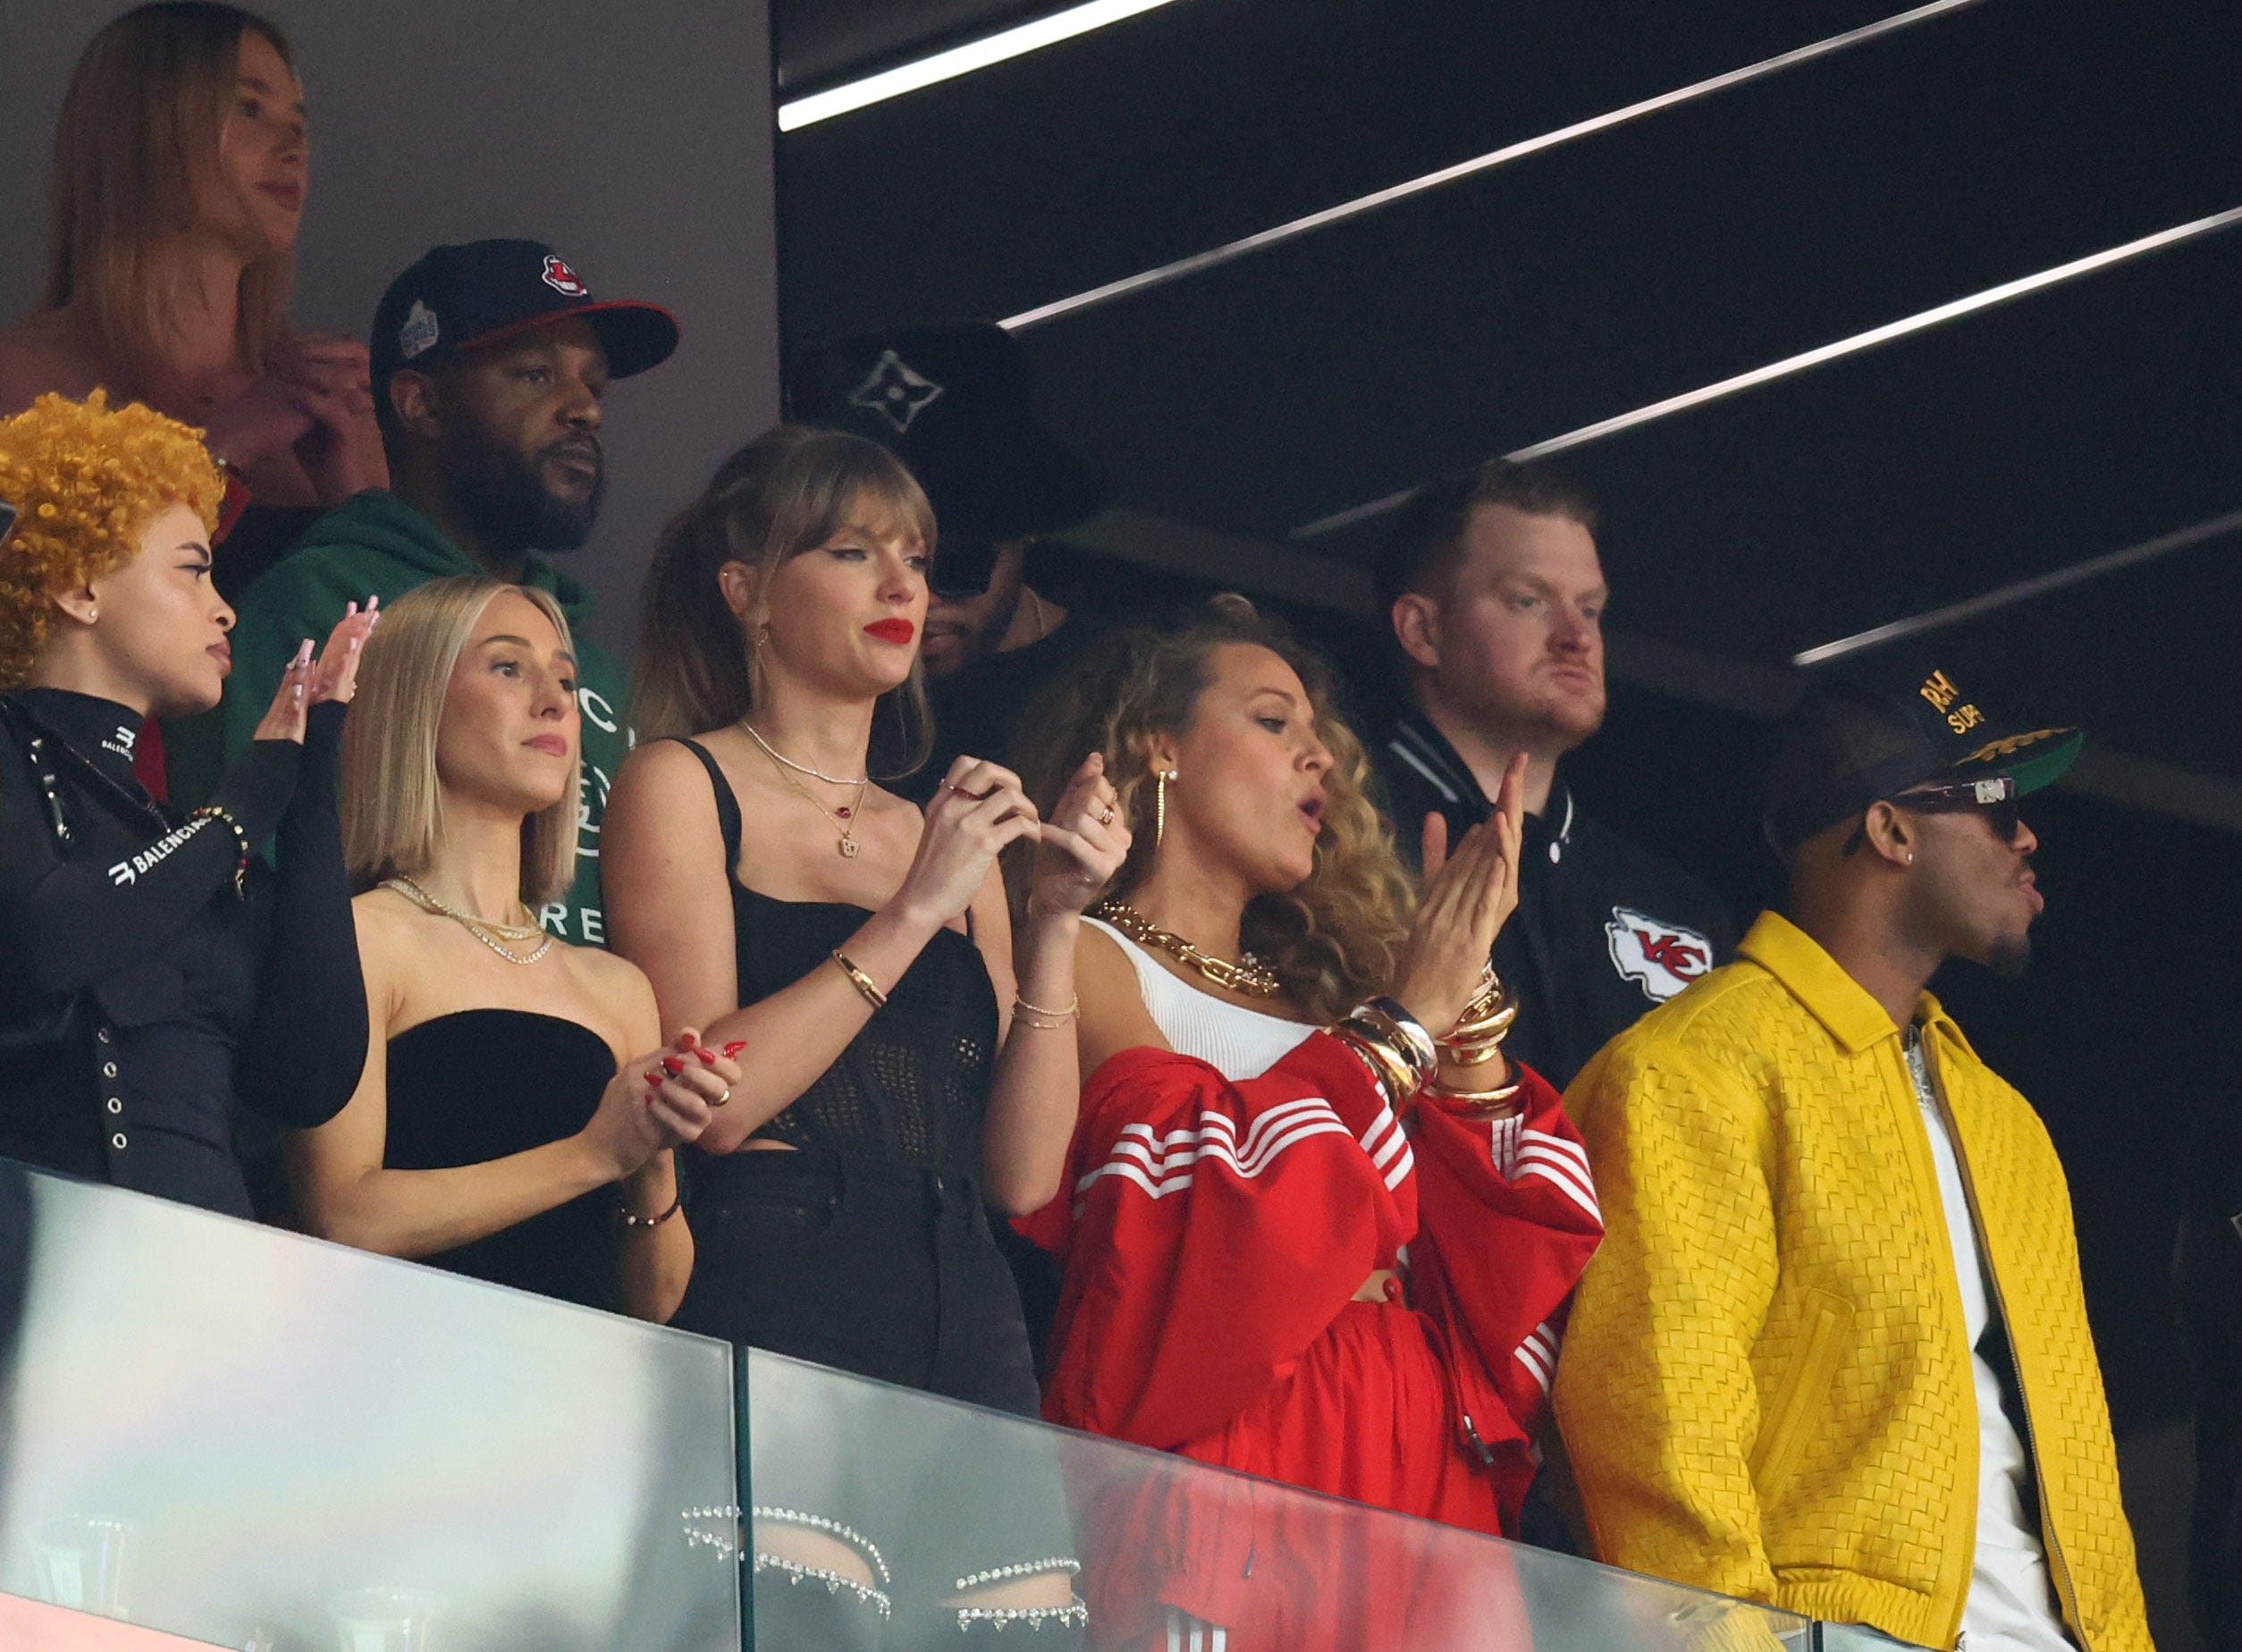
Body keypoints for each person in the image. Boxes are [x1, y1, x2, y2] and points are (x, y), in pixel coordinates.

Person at [603, 426, 1125, 1640]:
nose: (903, 585)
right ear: (747, 592)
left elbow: (1023, 1173)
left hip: (965, 1287)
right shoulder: (683, 781)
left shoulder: (942, 830)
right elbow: (713, 1102)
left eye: (918, 558)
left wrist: (1052, 918)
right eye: (852, 552)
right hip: (782, 1260)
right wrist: (915, 911)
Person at [1011, 598, 1603, 1649]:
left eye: (1321, 733)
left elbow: (1496, 1256)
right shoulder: (1089, 952)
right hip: (1232, 1423)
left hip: (1413, 1430)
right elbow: (1182, 1189)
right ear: (1159, 747)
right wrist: (1405, 1020)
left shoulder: (1337, 999)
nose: (1319, 755)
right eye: (1273, 721)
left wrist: (1462, 1011)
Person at [1555, 657, 2154, 1651]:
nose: (2027, 836)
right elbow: (1658, 1426)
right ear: (1891, 831)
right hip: (1832, 1631)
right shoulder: (1691, 1071)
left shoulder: (2005, 1120)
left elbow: (2081, 1455)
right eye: (1996, 806)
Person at [166, 239, 677, 947]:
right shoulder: (314, 610)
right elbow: (241, 893)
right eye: (535, 375)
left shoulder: (596, 664)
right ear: (422, 404)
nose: (583, 410)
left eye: (593, 385)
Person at [285, 577, 732, 1319]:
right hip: (400, 1360)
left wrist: (652, 1154)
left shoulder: (616, 987)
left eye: (566, 679)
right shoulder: (362, 938)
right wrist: (595, 1152)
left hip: (577, 1378)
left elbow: (655, 1299)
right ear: (416, 700)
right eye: (508, 668)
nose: (555, 702)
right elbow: (344, 1216)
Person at [0, 390, 372, 1217]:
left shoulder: (188, 838)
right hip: (38, 1265)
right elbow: (47, 943)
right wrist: (243, 804)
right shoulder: (16, 754)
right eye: (193, 569)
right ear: (78, 588)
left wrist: (310, 774)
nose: (224, 606)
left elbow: (308, 1079)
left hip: (210, 1273)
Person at [1372, 459, 1736, 1091]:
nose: (1576, 637)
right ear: (1423, 630)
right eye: (1529, 600)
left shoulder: (1677, 905)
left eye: (1590, 610)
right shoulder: (1331, 841)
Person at [0, 4, 387, 595]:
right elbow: (40, 617)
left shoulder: (325, 403)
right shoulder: (19, 383)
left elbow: (425, 637)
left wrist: (358, 502)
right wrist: (218, 453)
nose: (294, 147)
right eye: (250, 108)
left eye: (300, 125)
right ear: (142, 129)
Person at [788, 321, 1110, 797]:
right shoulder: (807, 681)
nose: (915, 596)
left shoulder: (1112, 689)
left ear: (1024, 534)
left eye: (956, 564)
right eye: (858, 558)